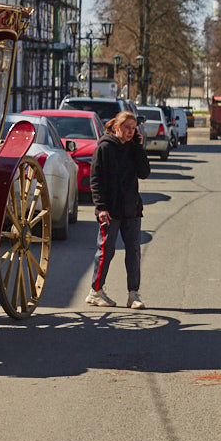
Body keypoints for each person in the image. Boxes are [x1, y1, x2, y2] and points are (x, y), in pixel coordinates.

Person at [86, 111, 151, 309]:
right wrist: (101, 208)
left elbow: (144, 173)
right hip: (110, 210)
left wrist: (139, 148)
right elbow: (95, 180)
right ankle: (95, 291)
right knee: (106, 250)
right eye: (126, 127)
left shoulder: (133, 148)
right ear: (116, 127)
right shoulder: (104, 148)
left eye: (133, 128)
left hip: (131, 209)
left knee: (133, 252)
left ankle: (133, 294)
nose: (130, 132)